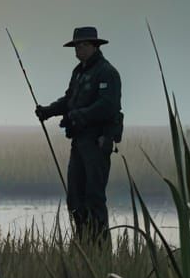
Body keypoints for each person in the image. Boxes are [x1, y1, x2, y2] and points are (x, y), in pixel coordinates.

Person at [35, 26, 124, 245]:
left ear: (95, 46)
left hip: (97, 141)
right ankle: (84, 244)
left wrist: (78, 116)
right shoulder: (79, 72)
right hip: (79, 141)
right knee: (75, 197)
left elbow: (108, 106)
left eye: (83, 45)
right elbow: (69, 99)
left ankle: (101, 249)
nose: (78, 50)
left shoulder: (107, 72)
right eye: (76, 46)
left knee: (94, 197)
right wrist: (48, 111)